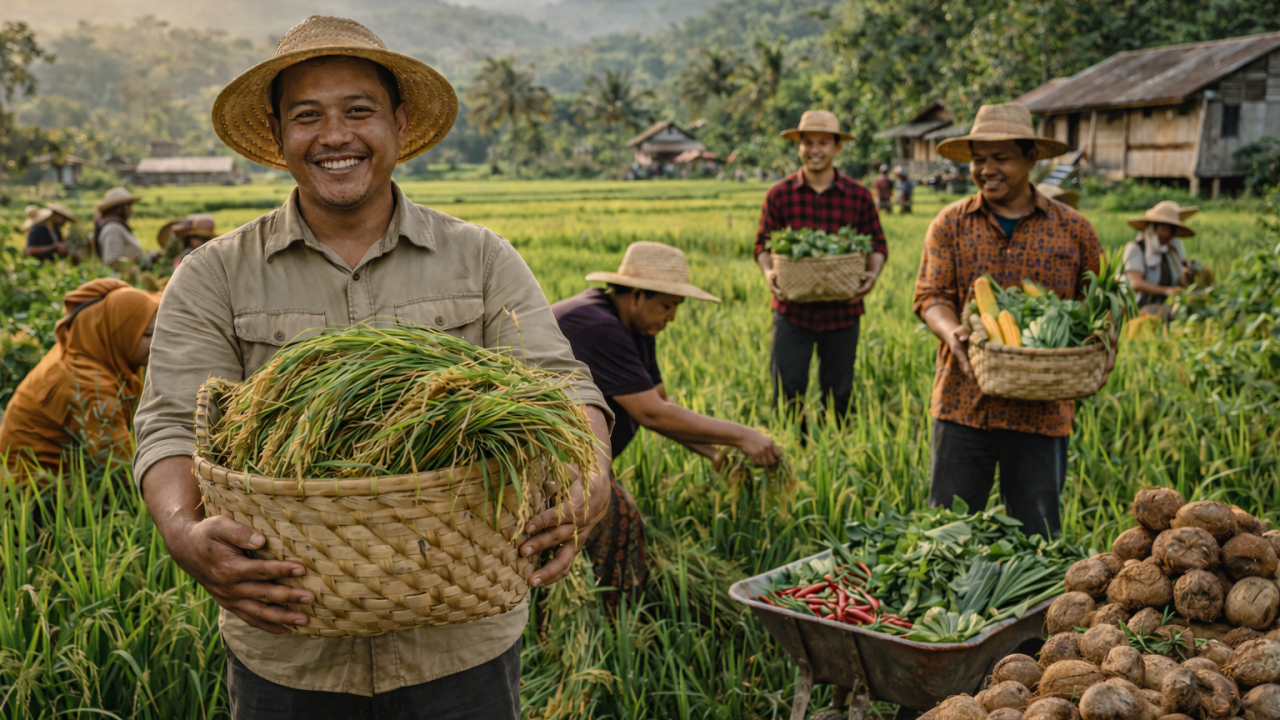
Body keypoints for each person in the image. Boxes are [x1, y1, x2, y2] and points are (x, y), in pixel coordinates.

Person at [131, 17, 612, 720]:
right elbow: (172, 423)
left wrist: (592, 475)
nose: (335, 136)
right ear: (277, 136)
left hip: (459, 644)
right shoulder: (214, 276)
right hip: (289, 646)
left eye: (358, 110)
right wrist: (181, 529)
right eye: (307, 116)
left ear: (398, 122)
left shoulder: (480, 258)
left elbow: (561, 384)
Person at [913, 103, 1107, 539]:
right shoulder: (950, 224)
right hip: (963, 404)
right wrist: (953, 331)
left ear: (1029, 159)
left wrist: (1101, 349)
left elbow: (1098, 308)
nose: (986, 169)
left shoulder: (1074, 230)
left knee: (1036, 540)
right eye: (979, 158)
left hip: (1043, 411)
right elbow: (931, 296)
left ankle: (1033, 611)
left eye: (1000, 158)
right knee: (949, 536)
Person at [553, 242, 782, 608]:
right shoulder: (598, 326)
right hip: (539, 454)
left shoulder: (636, 329)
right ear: (638, 295)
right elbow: (651, 413)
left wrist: (714, 453)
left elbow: (660, 405)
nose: (672, 317)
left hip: (575, 454)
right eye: (667, 306)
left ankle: (591, 607)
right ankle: (622, 623)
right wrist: (744, 437)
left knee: (596, 524)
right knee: (617, 518)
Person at [755, 109, 888, 422]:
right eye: (808, 142)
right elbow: (762, 246)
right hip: (791, 311)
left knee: (838, 392)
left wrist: (872, 274)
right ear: (799, 146)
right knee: (788, 390)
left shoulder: (858, 196)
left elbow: (878, 245)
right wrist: (769, 272)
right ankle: (792, 455)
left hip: (843, 311)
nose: (815, 150)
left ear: (837, 148)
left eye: (823, 143)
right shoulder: (779, 195)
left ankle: (834, 452)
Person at [0, 279, 158, 475]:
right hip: (38, 489)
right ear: (116, 335)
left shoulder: (89, 352)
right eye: (148, 334)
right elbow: (120, 467)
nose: (157, 343)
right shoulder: (88, 384)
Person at [1122, 200, 1197, 315]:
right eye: (1164, 229)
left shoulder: (1171, 252)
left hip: (1164, 303)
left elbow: (1181, 281)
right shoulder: (1136, 249)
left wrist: (1193, 278)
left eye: (1171, 230)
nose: (1167, 235)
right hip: (1138, 305)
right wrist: (1165, 291)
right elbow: (1136, 283)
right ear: (1153, 228)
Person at [94, 187, 147, 270]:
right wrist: (142, 262)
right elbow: (111, 262)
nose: (130, 209)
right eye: (128, 205)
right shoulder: (113, 228)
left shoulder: (118, 226)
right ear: (119, 209)